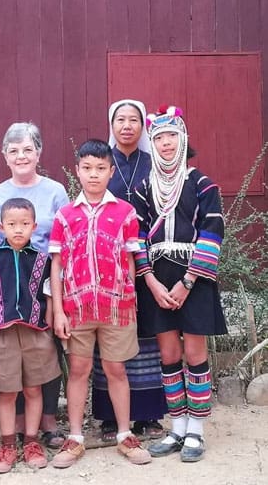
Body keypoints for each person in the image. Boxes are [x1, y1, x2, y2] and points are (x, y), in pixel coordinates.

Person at [49, 139, 152, 469]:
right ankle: (75, 437)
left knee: (116, 369)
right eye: (87, 168)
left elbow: (132, 259)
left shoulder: (125, 213)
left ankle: (125, 434)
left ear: (111, 171)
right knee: (78, 370)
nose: (94, 175)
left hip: (116, 307)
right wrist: (57, 310)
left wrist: (129, 298)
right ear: (77, 170)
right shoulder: (65, 216)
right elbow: (57, 265)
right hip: (76, 308)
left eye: (101, 168)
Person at [133, 106, 227, 462]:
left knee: (194, 353)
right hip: (158, 279)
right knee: (169, 354)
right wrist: (152, 282)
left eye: (171, 136)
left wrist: (188, 281)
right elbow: (138, 238)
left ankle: (197, 432)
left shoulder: (203, 184)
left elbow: (212, 231)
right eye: (158, 138)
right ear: (152, 144)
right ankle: (177, 426)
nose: (166, 143)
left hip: (194, 278)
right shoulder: (144, 189)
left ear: (183, 138)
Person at [0, 122, 69, 449]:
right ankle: (15, 425)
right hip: (8, 281)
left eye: (28, 149)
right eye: (14, 150)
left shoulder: (55, 191)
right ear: (4, 155)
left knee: (45, 349)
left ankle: (47, 420)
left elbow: (64, 238)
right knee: (11, 352)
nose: (21, 156)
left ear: (39, 153)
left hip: (46, 278)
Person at [92, 101, 166, 441]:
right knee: (109, 334)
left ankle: (148, 414)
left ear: (142, 126)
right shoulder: (102, 163)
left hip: (150, 259)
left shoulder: (154, 164)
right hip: (108, 261)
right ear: (111, 124)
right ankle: (110, 417)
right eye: (120, 119)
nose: (127, 125)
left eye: (134, 119)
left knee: (148, 333)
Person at [0, 198, 61, 474]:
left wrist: (48, 324)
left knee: (34, 388)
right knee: (8, 391)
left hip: (36, 330)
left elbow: (49, 294)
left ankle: (32, 441)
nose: (18, 230)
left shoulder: (41, 259)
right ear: (0, 227)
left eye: (24, 224)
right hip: (2, 332)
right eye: (11, 224)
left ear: (34, 226)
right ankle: (7, 444)